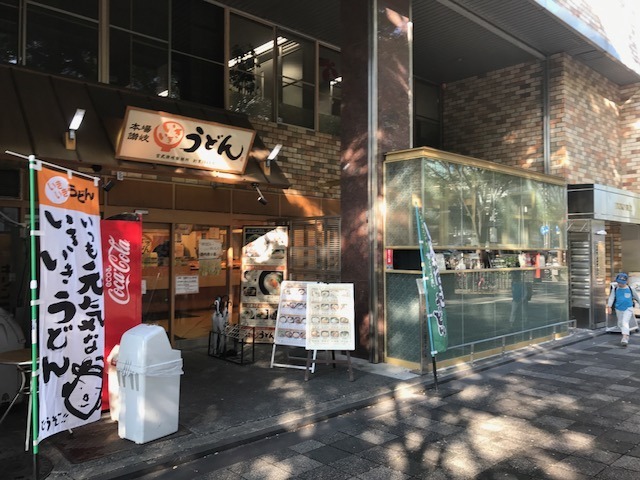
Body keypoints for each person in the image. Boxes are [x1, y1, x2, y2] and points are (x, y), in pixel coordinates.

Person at [607, 272, 640, 346]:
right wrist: (609, 306)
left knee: (625, 322)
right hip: (618, 308)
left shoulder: (630, 289)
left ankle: (625, 337)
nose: (620, 284)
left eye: (622, 283)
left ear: (626, 282)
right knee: (620, 323)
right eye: (619, 282)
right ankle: (625, 334)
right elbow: (611, 298)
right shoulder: (615, 289)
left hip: (628, 308)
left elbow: (637, 298)